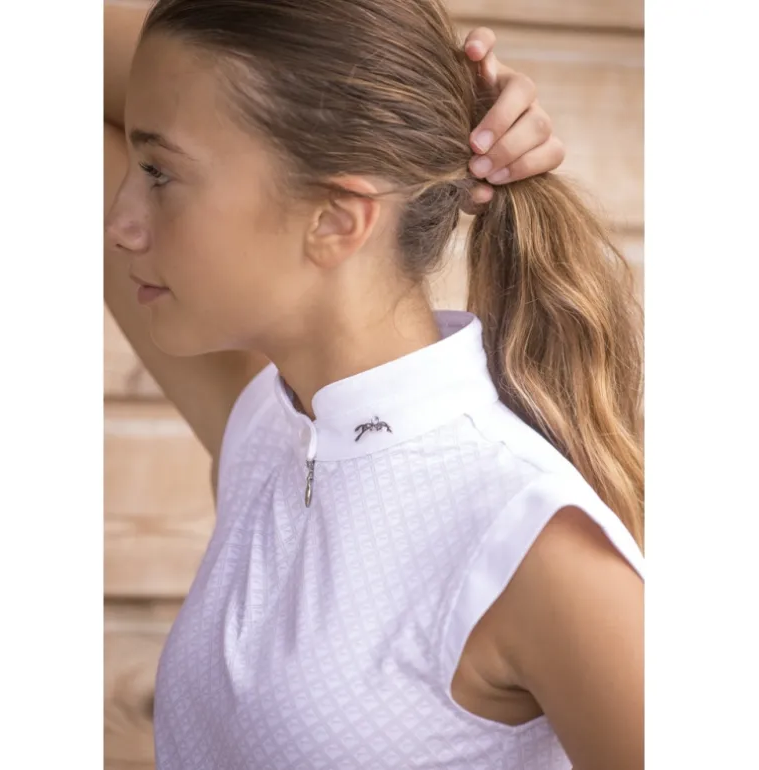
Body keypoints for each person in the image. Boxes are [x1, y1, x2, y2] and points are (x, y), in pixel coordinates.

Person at [104, 1, 643, 769]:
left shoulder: (529, 539)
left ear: (336, 221)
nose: (120, 221)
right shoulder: (270, 429)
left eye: (159, 173)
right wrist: (446, 108)